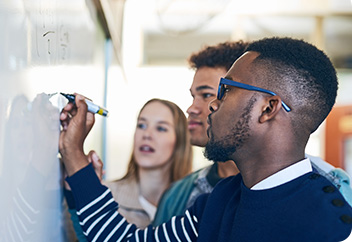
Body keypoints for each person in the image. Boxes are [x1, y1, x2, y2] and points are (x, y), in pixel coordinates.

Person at [59, 37, 352, 241]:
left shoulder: (336, 225)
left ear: (268, 108)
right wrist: (74, 155)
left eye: (225, 90)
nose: (213, 105)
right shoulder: (218, 202)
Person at [64, 98, 193, 240]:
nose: (147, 134)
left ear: (180, 141)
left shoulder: (192, 202)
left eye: (161, 128)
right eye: (142, 125)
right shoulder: (102, 195)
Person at [153, 41, 248, 225]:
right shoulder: (177, 196)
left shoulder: (293, 189)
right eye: (192, 97)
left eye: (205, 95)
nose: (191, 109)